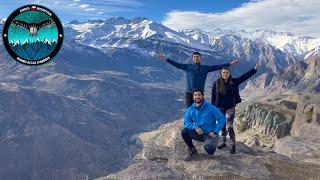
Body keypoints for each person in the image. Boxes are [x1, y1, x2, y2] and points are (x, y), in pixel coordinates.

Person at [157, 52, 239, 107]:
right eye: (194, 57)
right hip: (189, 93)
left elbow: (217, 67)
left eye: (197, 57)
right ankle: (190, 129)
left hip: (200, 93)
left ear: (200, 58)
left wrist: (230, 64)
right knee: (189, 110)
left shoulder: (205, 68)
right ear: (192, 59)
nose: (196, 58)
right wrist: (166, 59)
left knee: (200, 110)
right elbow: (176, 64)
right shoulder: (188, 67)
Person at [211, 64, 259, 154]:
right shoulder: (216, 83)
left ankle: (233, 145)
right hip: (219, 108)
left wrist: (254, 69)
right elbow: (213, 96)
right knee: (222, 126)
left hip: (230, 107)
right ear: (221, 74)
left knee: (229, 127)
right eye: (223, 73)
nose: (225, 74)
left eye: (227, 73)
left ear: (229, 73)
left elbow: (244, 77)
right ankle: (224, 142)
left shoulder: (234, 82)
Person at [181, 89, 226, 161]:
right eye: (195, 95)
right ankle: (192, 149)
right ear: (193, 97)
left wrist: (215, 131)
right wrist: (195, 127)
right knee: (184, 132)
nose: (197, 97)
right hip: (199, 133)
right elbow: (186, 122)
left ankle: (211, 154)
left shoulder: (211, 108)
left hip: (210, 134)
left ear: (202, 96)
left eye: (199, 95)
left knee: (209, 148)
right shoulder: (191, 109)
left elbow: (222, 119)